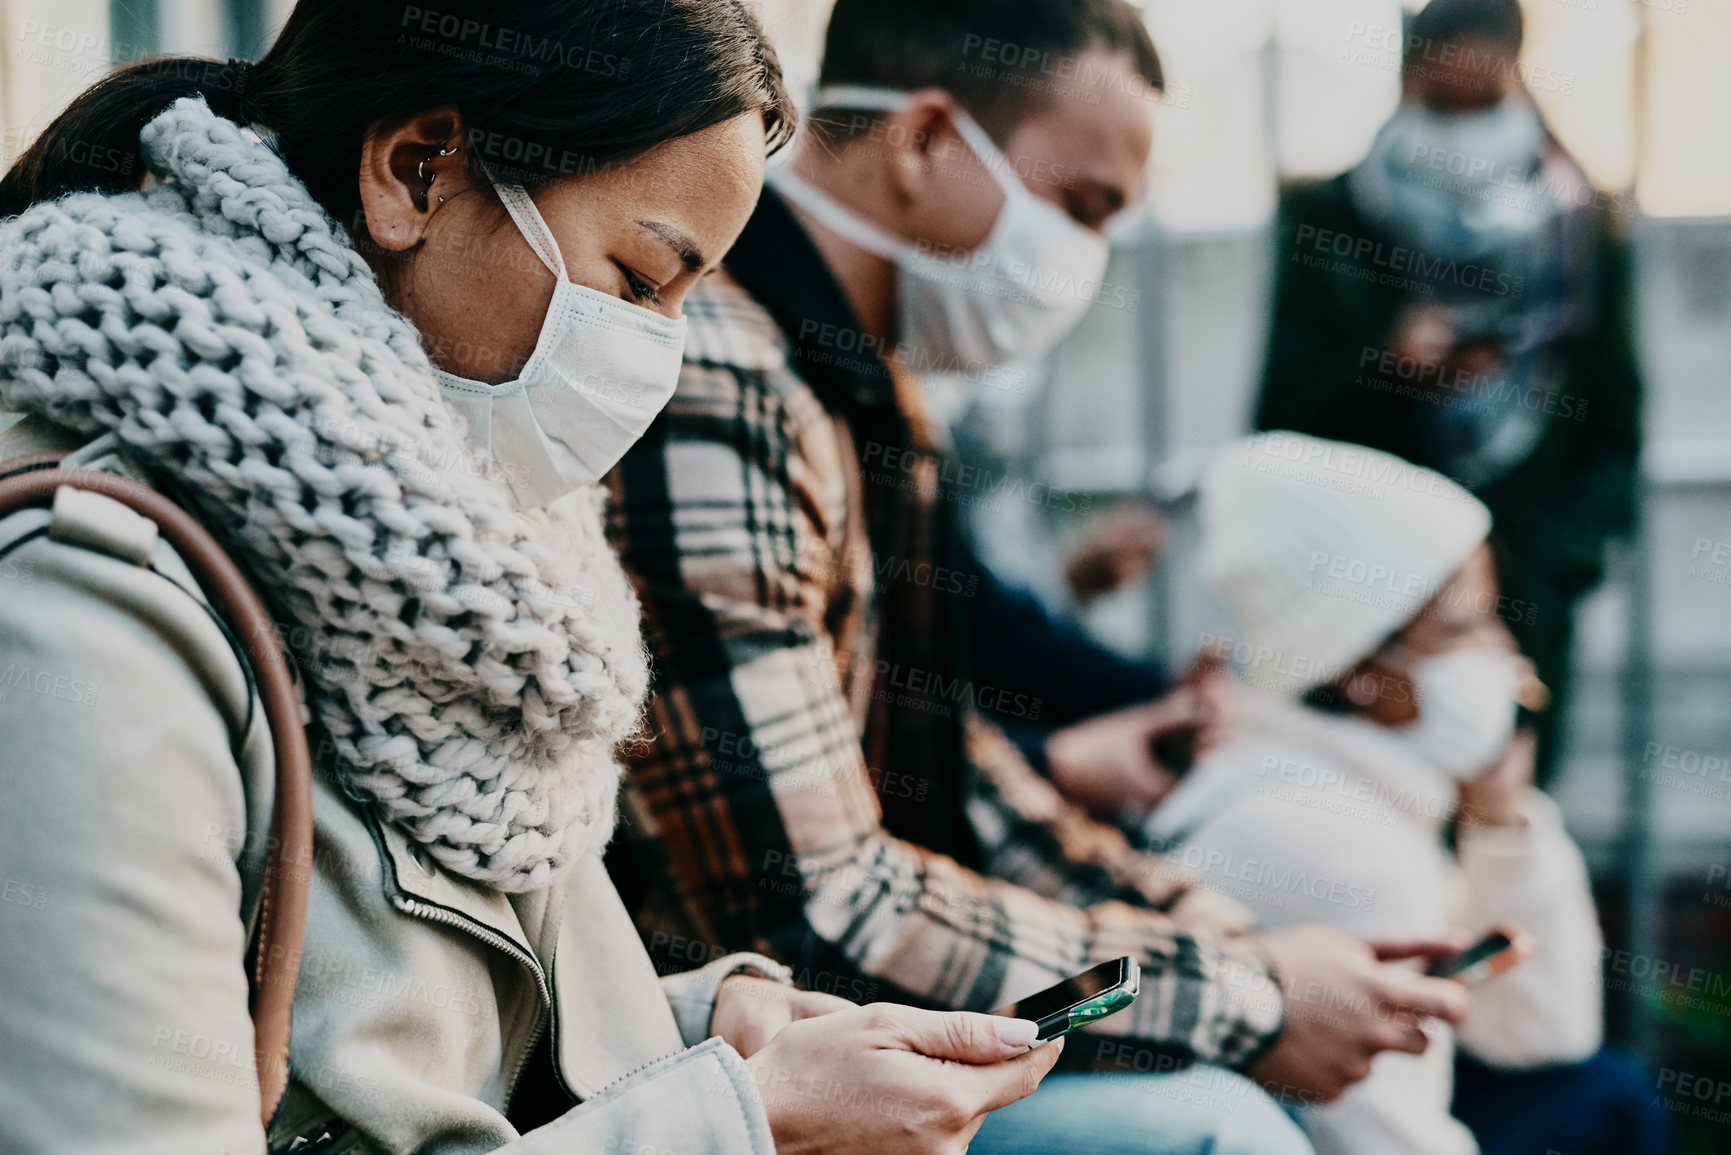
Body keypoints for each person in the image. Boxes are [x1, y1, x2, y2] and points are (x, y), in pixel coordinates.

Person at [0, 3, 1069, 1152]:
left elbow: (448, 1051)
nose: (657, 358)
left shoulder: (486, 564)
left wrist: (714, 1022)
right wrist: (743, 1125)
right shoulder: (82, 614)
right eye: (641, 280)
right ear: (416, 172)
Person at [604, 2, 1471, 1150]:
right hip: (691, 1071)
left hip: (842, 1026)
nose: (1085, 263)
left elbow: (952, 772)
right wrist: (1250, 1000)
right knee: (1219, 1132)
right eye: (1080, 207)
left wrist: (1244, 953)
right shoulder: (724, 383)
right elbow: (814, 904)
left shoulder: (859, 394)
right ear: (920, 142)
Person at [1140, 431, 1663, 1155]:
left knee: (1599, 1090)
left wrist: (1502, 818)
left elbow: (1540, 1037)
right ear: (1354, 667)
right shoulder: (1346, 849)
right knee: (1611, 1104)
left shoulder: (1327, 774)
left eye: (1491, 617)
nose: (1505, 658)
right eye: (1458, 629)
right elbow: (1381, 1139)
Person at [1254, 0, 1642, 783]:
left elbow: (1615, 412)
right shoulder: (1327, 218)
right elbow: (1279, 421)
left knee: (1506, 807)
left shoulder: (1583, 223)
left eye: (1481, 103)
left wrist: (1563, 560)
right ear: (1404, 83)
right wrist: (1384, 367)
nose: (1461, 128)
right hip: (1365, 596)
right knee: (1369, 811)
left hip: (1525, 585)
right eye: (1440, 103)